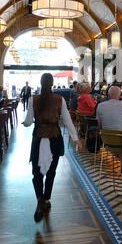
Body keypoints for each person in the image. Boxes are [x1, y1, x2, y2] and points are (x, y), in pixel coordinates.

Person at [23, 73, 79, 223]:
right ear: (52, 83)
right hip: (54, 137)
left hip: (39, 138)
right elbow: (67, 121)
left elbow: (28, 121)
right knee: (51, 171)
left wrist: (25, 123)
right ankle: (46, 199)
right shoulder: (59, 99)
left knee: (37, 172)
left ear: (41, 83)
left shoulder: (33, 99)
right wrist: (75, 138)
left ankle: (40, 200)